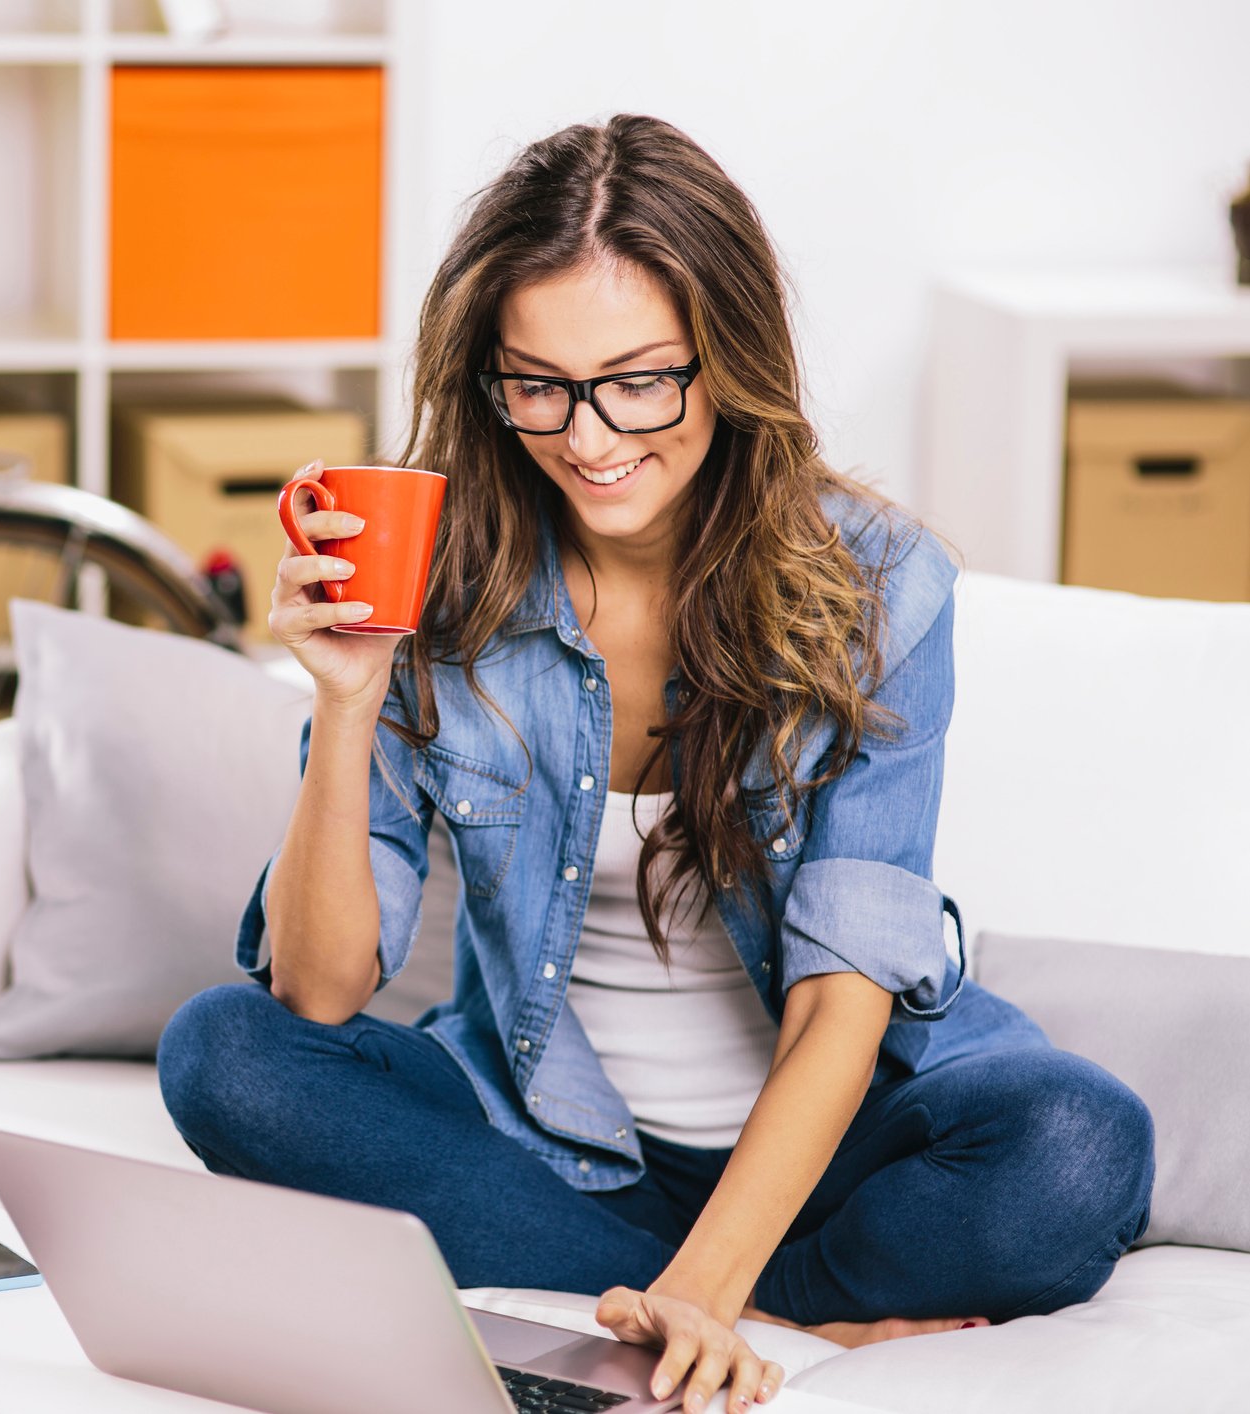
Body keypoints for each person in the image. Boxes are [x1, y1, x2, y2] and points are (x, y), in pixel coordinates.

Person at [155, 115, 1156, 1414]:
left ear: (727, 360)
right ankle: (800, 1316)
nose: (586, 435)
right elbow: (323, 988)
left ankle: (679, 1301)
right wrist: (343, 701)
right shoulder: (437, 578)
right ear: (486, 379)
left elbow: (840, 1006)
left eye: (638, 380)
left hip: (833, 1137)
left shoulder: (879, 585)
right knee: (221, 1050)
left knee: (1076, 1145)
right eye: (538, 384)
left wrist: (701, 1287)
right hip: (550, 1137)